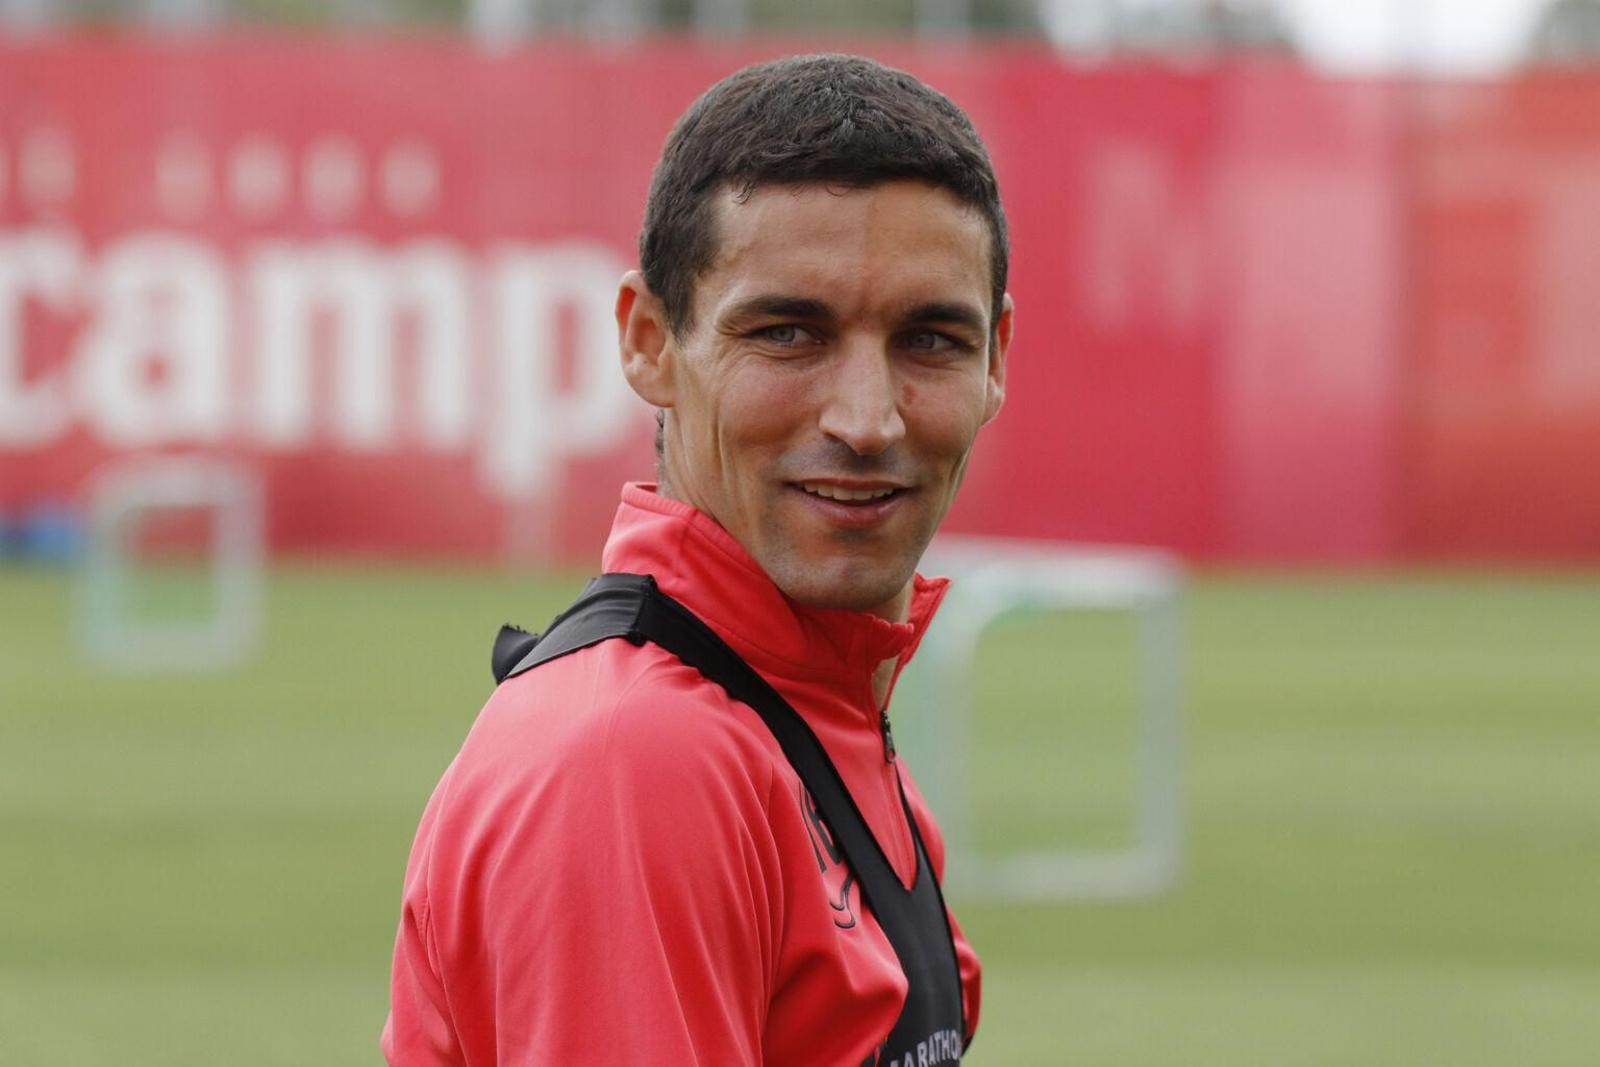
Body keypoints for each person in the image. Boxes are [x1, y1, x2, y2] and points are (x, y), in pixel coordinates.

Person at [383, 53, 1014, 1067]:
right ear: (647, 341)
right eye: (787, 332)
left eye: (929, 338)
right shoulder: (635, 759)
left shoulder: (817, 708)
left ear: (995, 362)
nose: (867, 418)